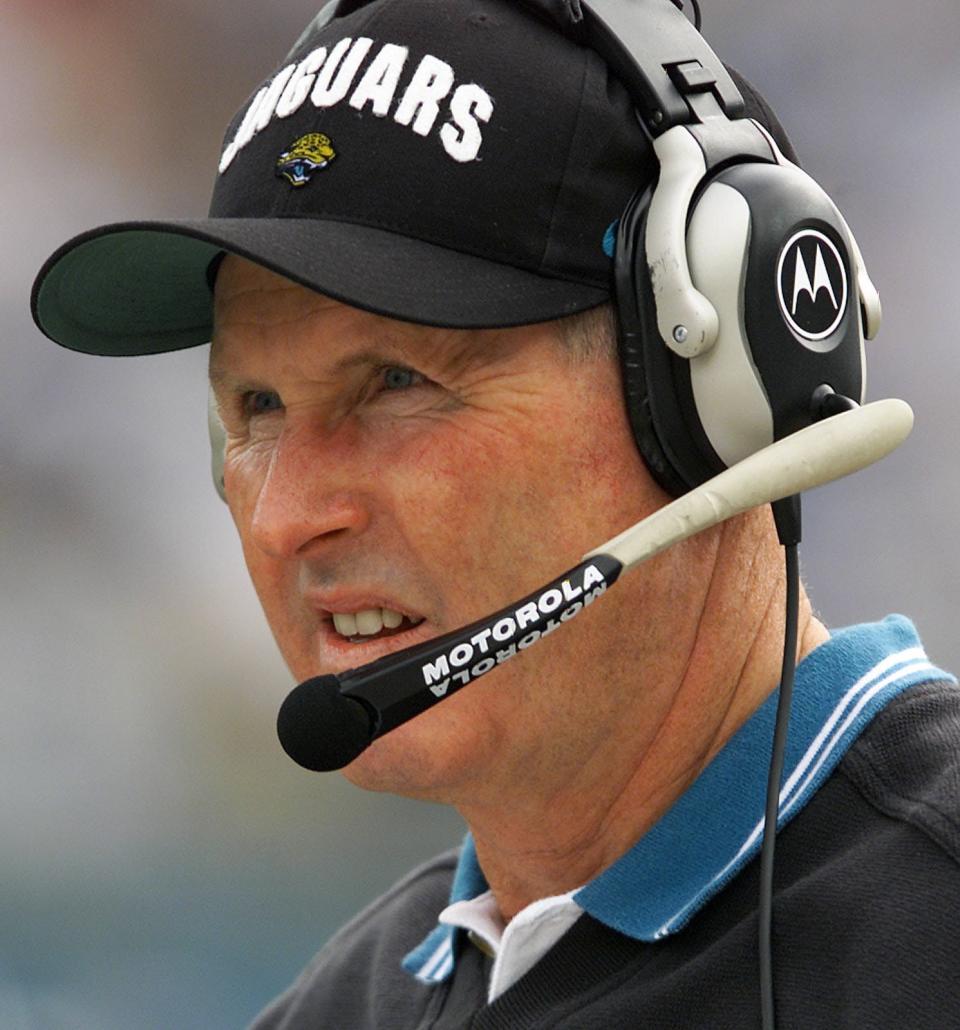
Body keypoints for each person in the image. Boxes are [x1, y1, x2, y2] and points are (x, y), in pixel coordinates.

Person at [31, 0, 960, 1027]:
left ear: (711, 390)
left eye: (394, 381)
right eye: (256, 406)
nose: (286, 516)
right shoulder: (338, 1010)